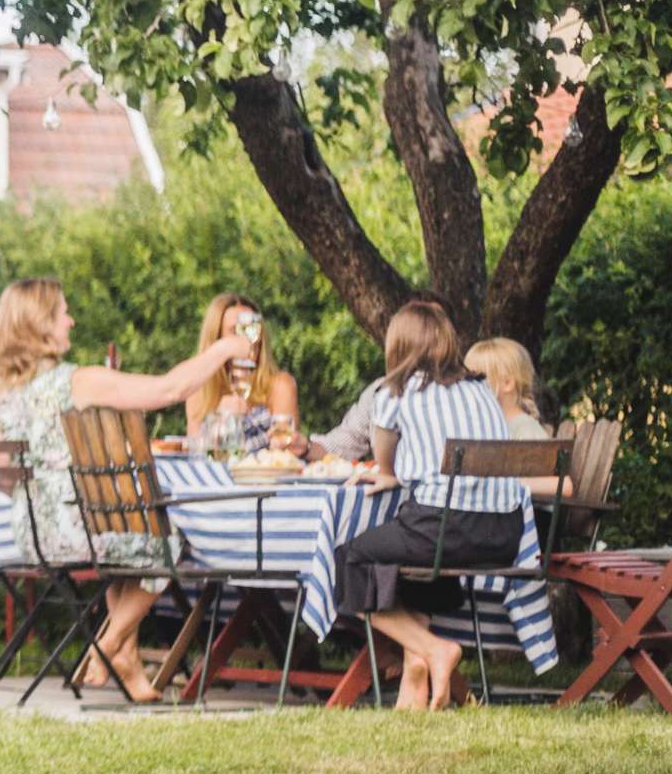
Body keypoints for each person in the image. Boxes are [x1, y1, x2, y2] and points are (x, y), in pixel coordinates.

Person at [0, 279, 256, 703]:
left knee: (126, 550)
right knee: (165, 547)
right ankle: (105, 648)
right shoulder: (76, 381)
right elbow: (169, 390)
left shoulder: (1, 397)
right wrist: (221, 350)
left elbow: (3, 479)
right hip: (83, 530)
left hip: (32, 536)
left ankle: (127, 663)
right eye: (62, 314)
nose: (70, 320)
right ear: (41, 327)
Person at [336, 302, 530, 709]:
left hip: (447, 527)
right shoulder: (480, 388)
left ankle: (433, 648)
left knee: (350, 559)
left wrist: (388, 472)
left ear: (398, 345)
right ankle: (416, 676)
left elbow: (383, 457)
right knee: (414, 566)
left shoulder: (397, 391)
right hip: (505, 534)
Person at [182, 293, 303, 454]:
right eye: (235, 330)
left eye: (252, 329)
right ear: (216, 339)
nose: (246, 338)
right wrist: (221, 421)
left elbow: (284, 457)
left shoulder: (280, 385)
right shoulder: (199, 389)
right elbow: (196, 456)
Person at [465, 337, 569, 498]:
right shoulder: (489, 427)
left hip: (530, 517)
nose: (467, 388)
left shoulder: (525, 429)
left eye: (477, 380)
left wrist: (506, 484)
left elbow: (564, 486)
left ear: (507, 383)